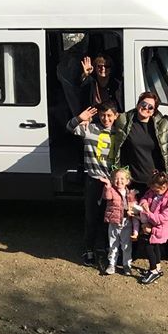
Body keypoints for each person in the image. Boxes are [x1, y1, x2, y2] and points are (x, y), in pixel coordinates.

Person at [110, 84, 168, 194]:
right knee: (131, 211)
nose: (146, 108)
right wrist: (85, 120)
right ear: (138, 104)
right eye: (143, 104)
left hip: (155, 183)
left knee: (153, 211)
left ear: (154, 111)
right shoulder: (124, 122)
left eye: (150, 107)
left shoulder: (161, 125)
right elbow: (106, 119)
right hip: (131, 182)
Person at [67, 101, 119, 267]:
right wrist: (79, 118)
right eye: (103, 115)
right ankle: (89, 249)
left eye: (110, 115)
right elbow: (69, 128)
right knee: (91, 216)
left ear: (116, 116)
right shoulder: (90, 128)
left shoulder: (119, 133)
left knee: (109, 217)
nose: (106, 119)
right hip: (93, 180)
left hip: (112, 183)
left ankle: (105, 248)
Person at [134, 170, 168, 285]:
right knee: (155, 247)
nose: (154, 191)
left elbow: (164, 218)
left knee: (149, 246)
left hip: (159, 228)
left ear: (163, 186)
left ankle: (153, 270)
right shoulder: (154, 191)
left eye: (156, 190)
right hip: (151, 223)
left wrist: (148, 214)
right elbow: (146, 196)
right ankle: (157, 267)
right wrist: (143, 202)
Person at [99, 167, 139, 276]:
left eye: (122, 179)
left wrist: (133, 210)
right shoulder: (111, 190)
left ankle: (127, 265)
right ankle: (112, 264)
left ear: (127, 181)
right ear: (112, 180)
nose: (119, 181)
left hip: (126, 223)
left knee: (126, 246)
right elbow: (107, 197)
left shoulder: (130, 193)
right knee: (113, 245)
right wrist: (107, 186)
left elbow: (133, 207)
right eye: (116, 179)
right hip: (114, 222)